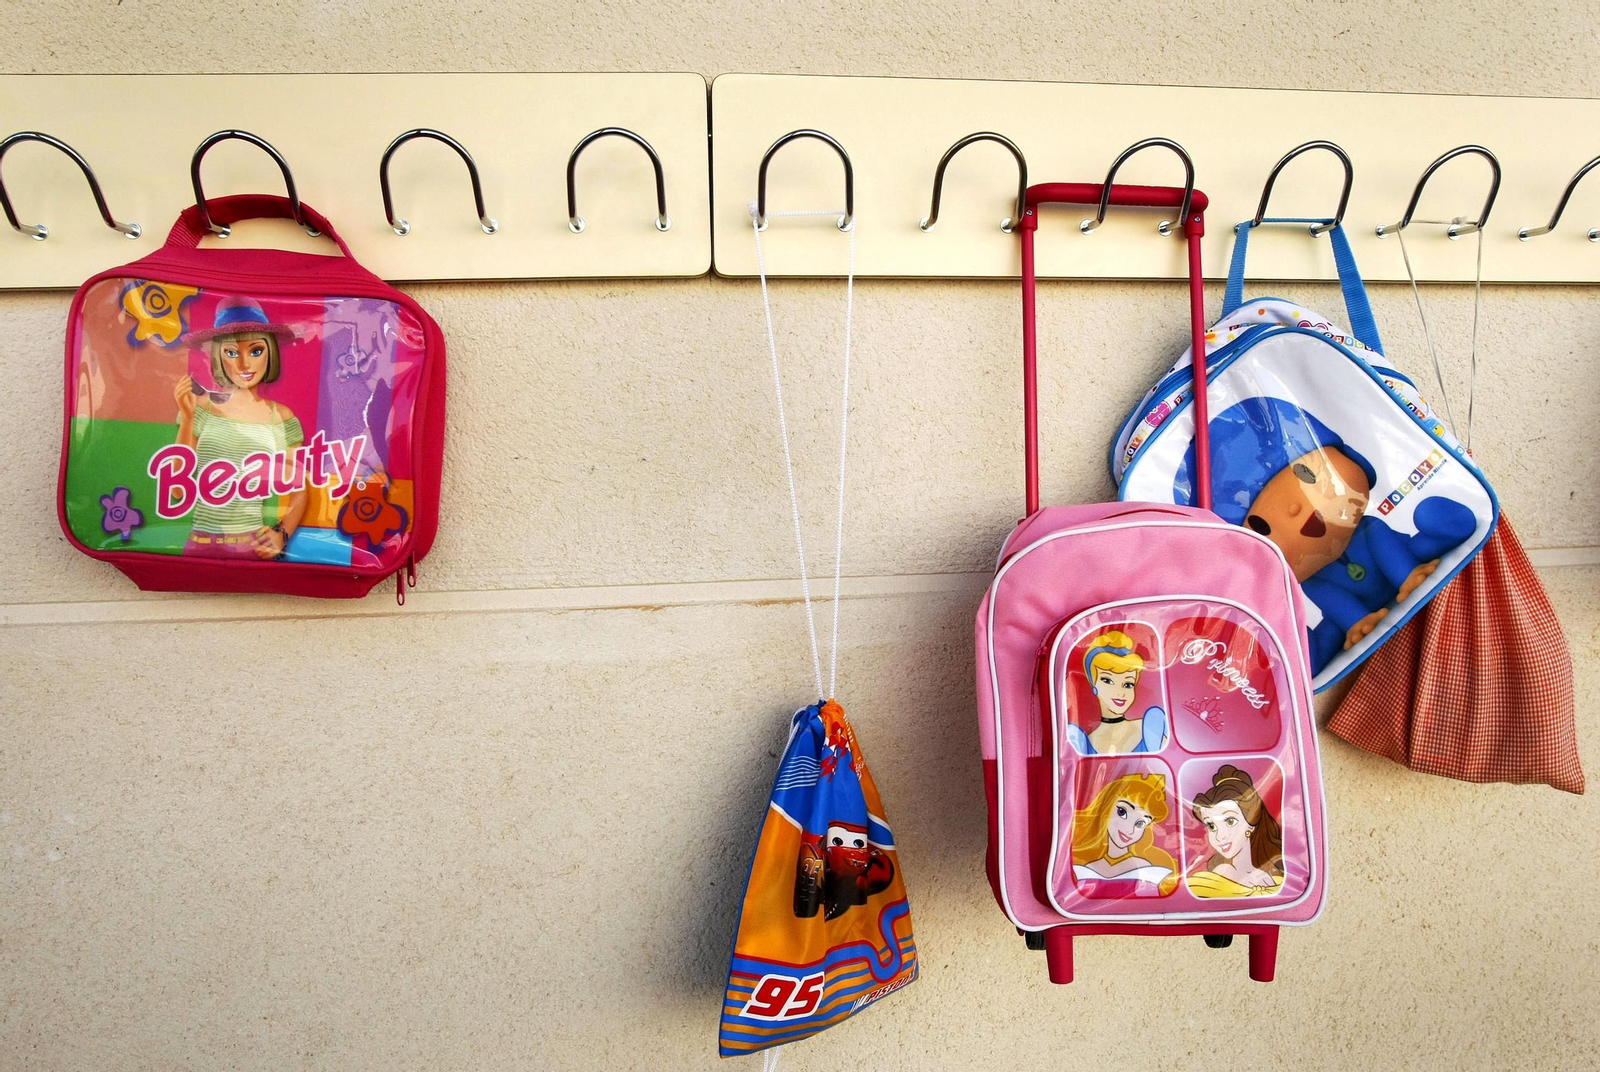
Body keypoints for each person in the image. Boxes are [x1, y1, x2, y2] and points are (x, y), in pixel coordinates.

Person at [1174, 396, 1475, 673]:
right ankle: (1305, 652)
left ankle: (1444, 530)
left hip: (1410, 562)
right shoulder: (1313, 581)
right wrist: (1357, 621)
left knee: (1427, 533)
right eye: (1261, 525)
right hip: (1358, 612)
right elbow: (1334, 601)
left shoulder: (1368, 529)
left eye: (1307, 475)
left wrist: (1407, 574)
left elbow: (1384, 545)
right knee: (1326, 634)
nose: (1295, 509)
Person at [172, 298, 306, 560]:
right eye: (232, 353)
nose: (244, 364)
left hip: (252, 546)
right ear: (218, 356)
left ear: (270, 354)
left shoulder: (281, 417)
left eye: (256, 351)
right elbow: (178, 489)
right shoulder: (201, 407)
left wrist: (282, 533)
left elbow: (298, 488)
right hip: (198, 543)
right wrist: (188, 418)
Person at [1070, 773, 1178, 897]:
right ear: (1105, 808)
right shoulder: (1085, 868)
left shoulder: (1147, 871)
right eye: (1122, 812)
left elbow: (1148, 906)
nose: (1129, 830)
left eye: (1141, 823)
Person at [1186, 765, 1284, 898]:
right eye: (1211, 826)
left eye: (1230, 821)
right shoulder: (1212, 878)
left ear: (1251, 823)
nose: (1220, 836)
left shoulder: (1272, 874)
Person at [1065, 631, 1168, 755]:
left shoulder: (1150, 725)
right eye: (1107, 681)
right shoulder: (1080, 739)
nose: (1120, 693)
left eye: (1128, 684)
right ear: (1093, 684)